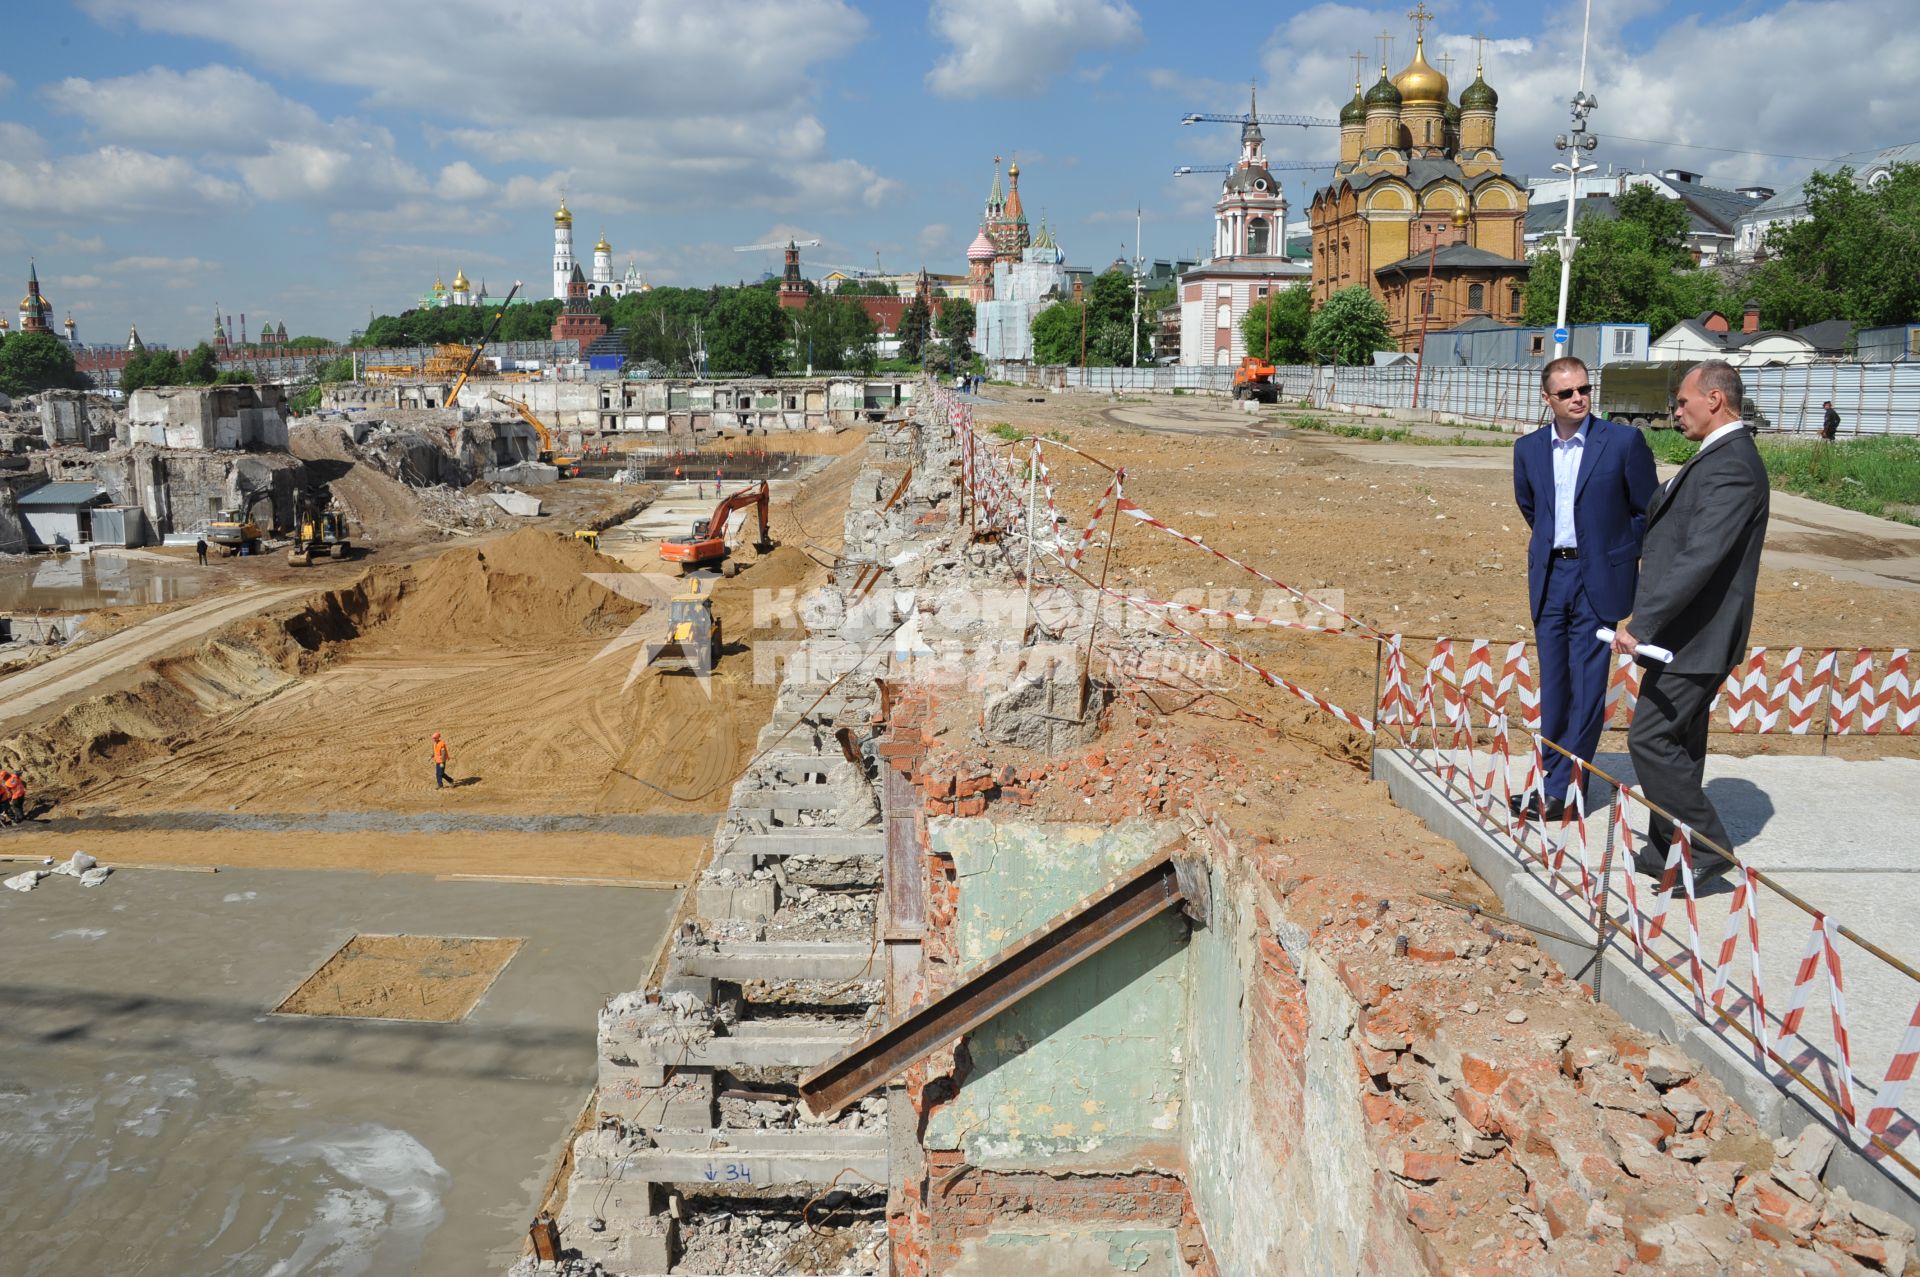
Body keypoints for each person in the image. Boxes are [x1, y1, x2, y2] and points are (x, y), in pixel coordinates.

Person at [1612, 361, 1770, 882]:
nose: (1676, 411)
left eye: (1683, 402)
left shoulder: (1732, 465)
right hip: (1687, 634)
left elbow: (1701, 556)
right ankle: (1668, 853)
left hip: (1697, 634)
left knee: (1649, 740)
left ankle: (1705, 850)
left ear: (1715, 400)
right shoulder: (1715, 457)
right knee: (1679, 743)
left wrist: (1644, 622)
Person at [1512, 357, 1658, 820]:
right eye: (1566, 393)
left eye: (1583, 389)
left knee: (1587, 687)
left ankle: (1566, 790)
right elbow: (1531, 507)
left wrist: (1616, 552)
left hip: (1598, 581)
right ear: (1547, 399)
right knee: (1554, 686)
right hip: (1552, 577)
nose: (1578, 398)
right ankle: (1550, 780)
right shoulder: (1529, 448)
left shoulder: (1622, 442)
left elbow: (1646, 511)